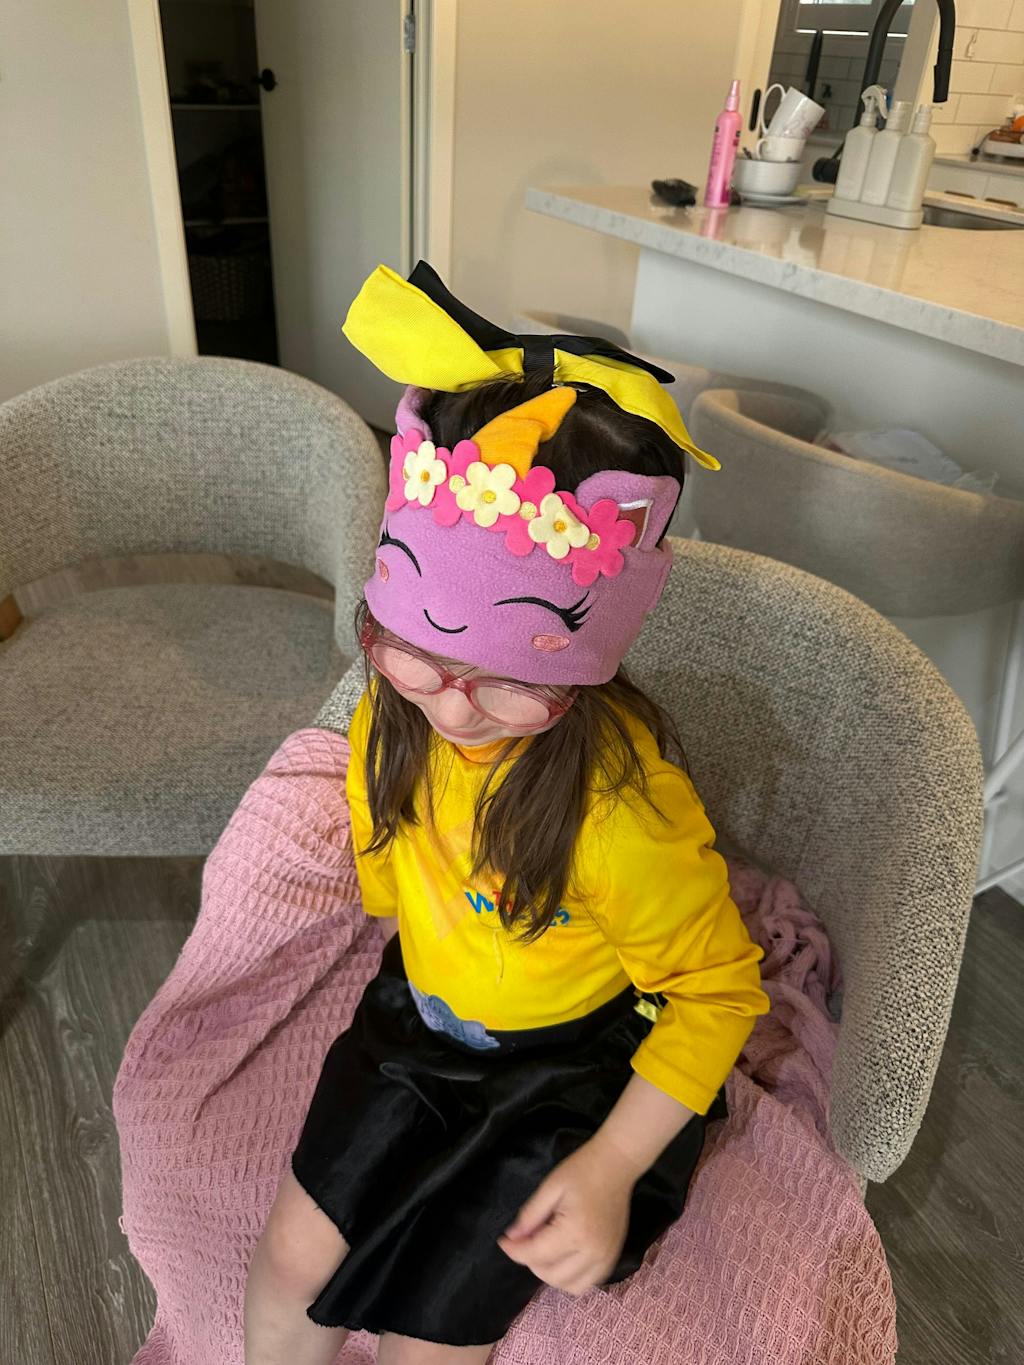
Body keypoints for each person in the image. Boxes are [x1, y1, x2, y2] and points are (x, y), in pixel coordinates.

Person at [243, 262, 772, 1365]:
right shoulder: (388, 717)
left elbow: (718, 994)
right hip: (414, 1029)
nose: (452, 710)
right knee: (291, 1263)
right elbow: (386, 851)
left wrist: (612, 1163)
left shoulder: (622, 816)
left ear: (582, 666)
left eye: (505, 680)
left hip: (558, 1080)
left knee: (427, 1341)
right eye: (415, 659)